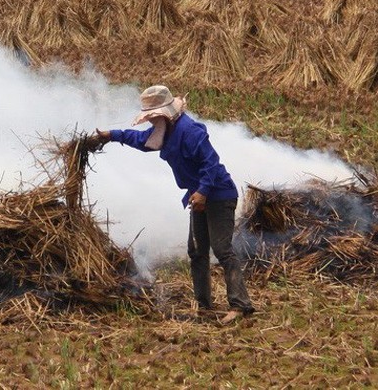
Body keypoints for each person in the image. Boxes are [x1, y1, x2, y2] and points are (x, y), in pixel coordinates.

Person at [89, 85, 254, 324]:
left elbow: (211, 164)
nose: (152, 120)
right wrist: (111, 135)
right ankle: (204, 307)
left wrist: (203, 192)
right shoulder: (163, 130)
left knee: (222, 249)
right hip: (197, 197)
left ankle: (240, 305)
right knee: (197, 251)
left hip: (218, 195)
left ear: (165, 112)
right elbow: (139, 139)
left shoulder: (191, 131)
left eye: (154, 115)